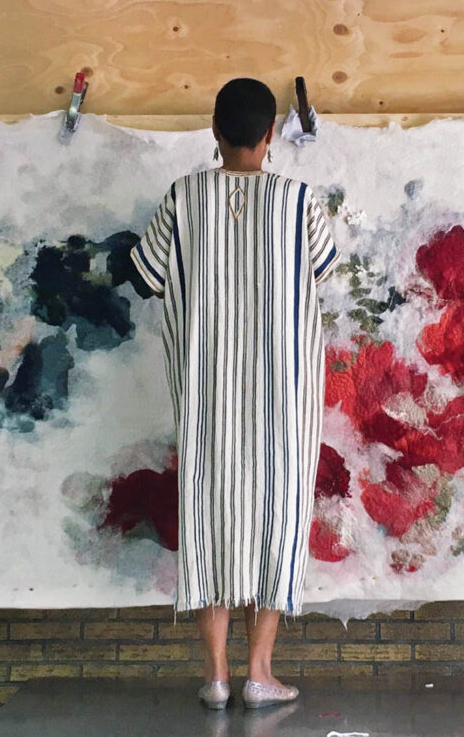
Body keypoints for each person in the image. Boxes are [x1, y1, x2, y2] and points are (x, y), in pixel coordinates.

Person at [131, 78, 339, 709]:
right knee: (276, 518)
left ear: (214, 131)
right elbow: (323, 273)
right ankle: (259, 673)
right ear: (270, 135)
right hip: (282, 401)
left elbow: (145, 279)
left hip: (206, 396)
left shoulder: (181, 198)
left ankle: (217, 677)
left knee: (208, 518)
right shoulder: (300, 202)